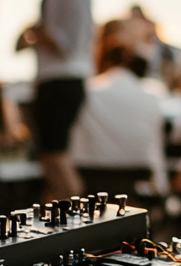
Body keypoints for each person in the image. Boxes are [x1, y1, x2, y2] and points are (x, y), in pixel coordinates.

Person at [16, 0, 93, 201]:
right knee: (48, 156)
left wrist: (39, 34)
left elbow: (70, 45)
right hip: (53, 80)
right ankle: (63, 208)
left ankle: (76, 208)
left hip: (63, 81)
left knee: (56, 155)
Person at [70, 23, 168, 193]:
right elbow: (156, 145)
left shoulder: (87, 91)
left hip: (92, 172)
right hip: (138, 171)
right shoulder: (152, 94)